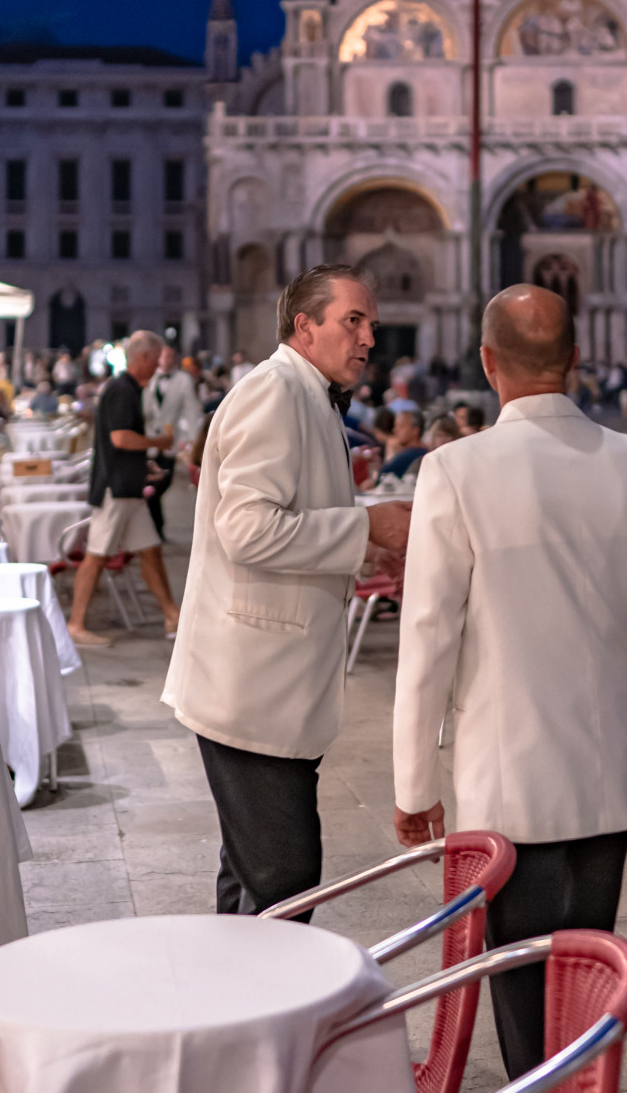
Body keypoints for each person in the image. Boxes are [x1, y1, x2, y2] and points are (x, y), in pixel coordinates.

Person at [391, 284, 627, 1079]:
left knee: (521, 986)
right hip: (602, 772)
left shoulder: (454, 467)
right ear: (575, 359)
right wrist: (607, 678)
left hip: (503, 777)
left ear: (488, 364)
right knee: (587, 983)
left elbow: (427, 637)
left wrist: (412, 781)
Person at [162, 265, 412, 917]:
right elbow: (246, 529)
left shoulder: (307, 393)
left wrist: (373, 529)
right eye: (352, 320)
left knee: (252, 874)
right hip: (250, 690)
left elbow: (294, 515)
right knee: (285, 878)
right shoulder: (274, 392)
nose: (366, 338)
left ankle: (236, 1009)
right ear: (304, 325)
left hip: (271, 689)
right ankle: (268, 1012)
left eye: (372, 326)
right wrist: (365, 527)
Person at [71, 331, 181, 644]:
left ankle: (172, 615)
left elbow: (119, 443)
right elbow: (120, 438)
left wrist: (141, 464)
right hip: (115, 490)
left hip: (128, 487)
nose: (159, 366)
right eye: (157, 359)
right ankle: (75, 625)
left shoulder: (126, 388)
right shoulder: (122, 390)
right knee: (96, 556)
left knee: (151, 551)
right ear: (144, 358)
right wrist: (158, 443)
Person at [143, 344, 203, 540]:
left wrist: (189, 439)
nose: (167, 360)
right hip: (148, 440)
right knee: (150, 483)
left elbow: (191, 410)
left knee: (161, 484)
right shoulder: (148, 377)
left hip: (171, 440)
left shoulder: (183, 379)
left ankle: (154, 528)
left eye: (170, 356)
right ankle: (155, 530)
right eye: (164, 356)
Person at [378, 407, 426, 480]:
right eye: (395, 426)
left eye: (401, 426)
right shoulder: (426, 451)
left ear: (415, 431)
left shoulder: (407, 456)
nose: (395, 430)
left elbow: (378, 479)